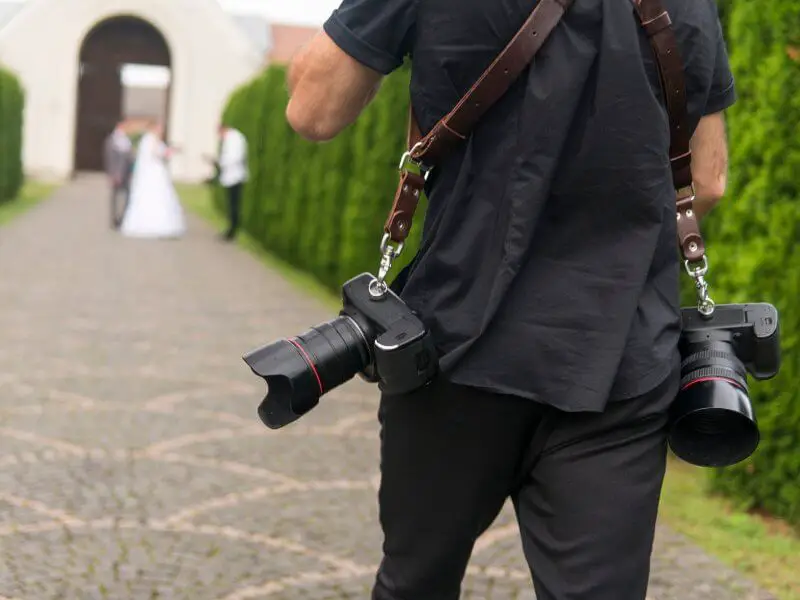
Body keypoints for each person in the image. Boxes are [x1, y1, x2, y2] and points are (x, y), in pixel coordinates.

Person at [285, 0, 735, 599]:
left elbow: (312, 111)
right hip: (619, 361)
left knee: (414, 584)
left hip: (453, 348)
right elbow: (706, 180)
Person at [120, 121, 186, 239]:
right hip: (154, 172)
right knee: (157, 195)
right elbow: (157, 153)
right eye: (160, 128)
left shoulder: (149, 140)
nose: (161, 130)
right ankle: (155, 225)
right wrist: (170, 152)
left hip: (154, 171)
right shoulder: (151, 139)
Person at [206, 123, 248, 241]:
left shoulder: (235, 139)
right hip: (230, 176)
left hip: (235, 176)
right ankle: (230, 229)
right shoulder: (232, 138)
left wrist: (220, 162)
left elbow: (234, 157)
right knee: (231, 205)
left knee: (234, 205)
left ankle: (232, 231)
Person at [102, 122, 133, 229]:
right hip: (116, 174)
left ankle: (122, 218)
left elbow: (129, 159)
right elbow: (110, 159)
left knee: (127, 197)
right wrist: (112, 174)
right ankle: (114, 219)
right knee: (115, 198)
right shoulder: (112, 141)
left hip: (126, 174)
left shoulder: (127, 141)